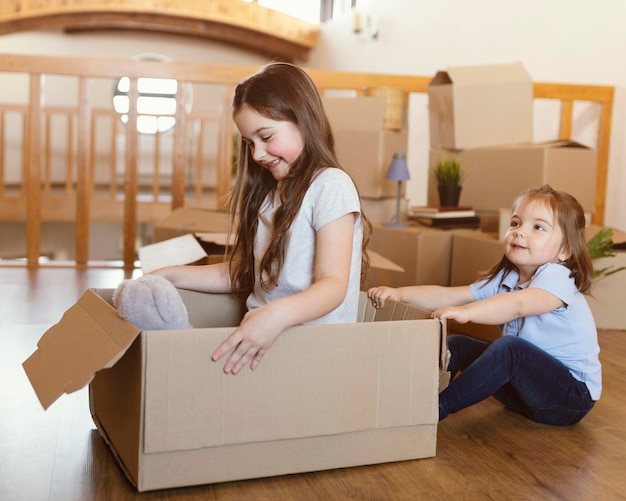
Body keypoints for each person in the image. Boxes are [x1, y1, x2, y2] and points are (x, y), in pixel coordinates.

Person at [152, 62, 369, 375]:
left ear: (303, 120)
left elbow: (333, 284)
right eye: (249, 143)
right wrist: (170, 275)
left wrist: (276, 315)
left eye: (266, 136)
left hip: (314, 350)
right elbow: (246, 275)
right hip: (264, 341)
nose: (256, 155)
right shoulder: (270, 195)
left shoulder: (331, 185)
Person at [368, 185, 601, 425]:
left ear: (565, 251)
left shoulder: (559, 278)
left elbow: (518, 304)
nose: (520, 232)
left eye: (538, 227)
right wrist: (400, 293)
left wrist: (467, 313)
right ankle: (399, 390)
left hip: (569, 399)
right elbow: (449, 295)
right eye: (515, 223)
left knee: (511, 349)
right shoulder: (507, 278)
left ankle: (434, 409)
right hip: (522, 392)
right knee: (457, 345)